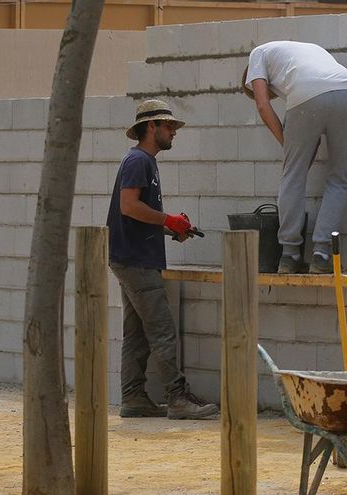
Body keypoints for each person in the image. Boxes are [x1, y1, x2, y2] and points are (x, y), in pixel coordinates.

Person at [107, 99, 219, 420]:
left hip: (131, 256)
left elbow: (137, 216)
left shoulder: (145, 162)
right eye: (168, 126)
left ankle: (133, 397)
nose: (173, 132)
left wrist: (171, 229)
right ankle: (177, 397)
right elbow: (128, 206)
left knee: (138, 332)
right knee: (162, 330)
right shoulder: (139, 161)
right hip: (136, 261)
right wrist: (169, 220)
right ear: (151, 127)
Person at [242, 41, 347, 274]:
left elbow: (262, 105)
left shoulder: (257, 55)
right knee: (340, 178)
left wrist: (286, 145)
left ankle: (289, 255)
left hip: (307, 95)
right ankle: (321, 255)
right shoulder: (306, 51)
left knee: (292, 177)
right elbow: (313, 137)